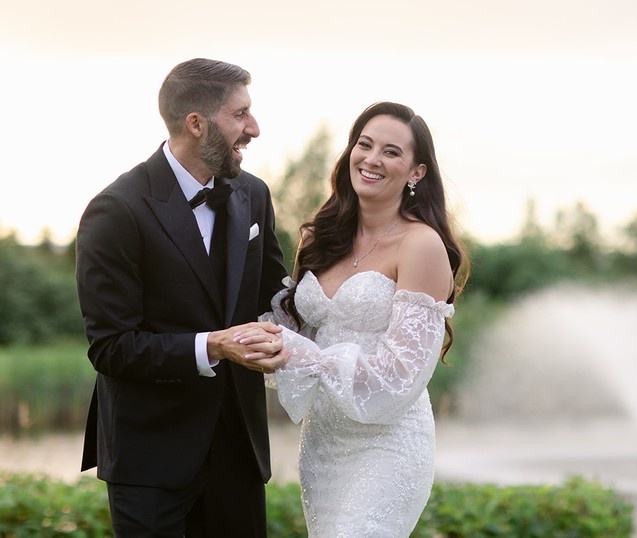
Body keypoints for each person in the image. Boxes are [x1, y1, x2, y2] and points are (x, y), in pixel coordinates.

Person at [75, 58, 290, 536]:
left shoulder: (253, 195)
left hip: (238, 448)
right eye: (240, 114)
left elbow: (277, 301)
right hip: (150, 458)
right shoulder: (117, 210)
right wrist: (213, 345)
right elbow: (110, 346)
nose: (253, 127)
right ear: (196, 123)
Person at [237, 101, 468, 537]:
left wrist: (302, 354)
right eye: (364, 144)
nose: (372, 159)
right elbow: (296, 331)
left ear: (416, 172)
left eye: (391, 151)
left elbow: (399, 378)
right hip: (323, 442)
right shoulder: (322, 237)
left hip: (387, 443)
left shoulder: (421, 246)